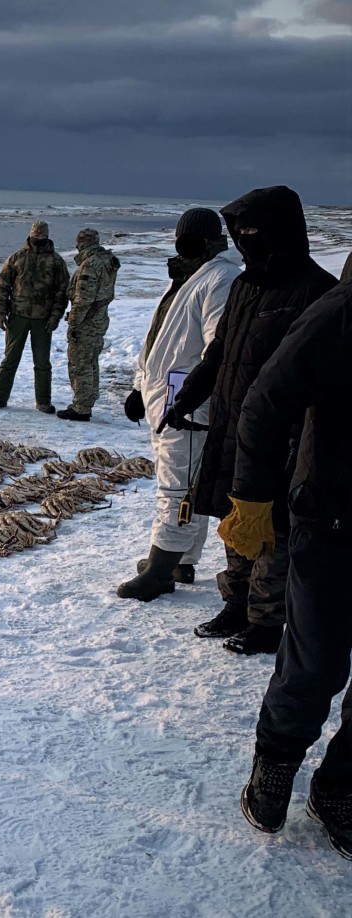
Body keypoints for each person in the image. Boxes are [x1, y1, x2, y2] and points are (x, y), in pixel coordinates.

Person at [161, 186, 338, 655]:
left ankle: (267, 621)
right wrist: (186, 398)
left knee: (274, 527)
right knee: (233, 516)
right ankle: (236, 604)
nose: (244, 240)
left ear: (282, 231)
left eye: (254, 231)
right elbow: (219, 354)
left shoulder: (317, 290)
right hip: (231, 422)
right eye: (238, 232)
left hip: (286, 433)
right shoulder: (243, 286)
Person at [229, 251, 352, 857]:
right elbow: (264, 401)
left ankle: (340, 788)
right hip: (335, 521)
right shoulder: (344, 310)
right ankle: (274, 765)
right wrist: (252, 499)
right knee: (314, 666)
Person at [116, 209, 239, 601]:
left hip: (185, 405)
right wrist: (139, 386)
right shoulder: (186, 278)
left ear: (208, 239)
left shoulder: (220, 279)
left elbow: (217, 349)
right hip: (165, 400)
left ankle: (159, 571)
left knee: (178, 488)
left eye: (190, 237)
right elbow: (158, 341)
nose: (181, 244)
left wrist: (190, 400)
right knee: (186, 484)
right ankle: (181, 558)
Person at [0, 220, 69, 413]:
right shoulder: (17, 258)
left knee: (42, 362)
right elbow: (2, 286)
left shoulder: (56, 261)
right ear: (30, 234)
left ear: (47, 236)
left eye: (42, 235)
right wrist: (0, 312)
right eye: (36, 234)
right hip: (18, 316)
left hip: (43, 319)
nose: (39, 238)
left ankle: (43, 401)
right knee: (10, 359)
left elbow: (62, 291)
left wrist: (55, 316)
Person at [57, 228, 120, 422]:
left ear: (84, 243)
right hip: (99, 319)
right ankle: (87, 400)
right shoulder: (105, 261)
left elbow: (83, 299)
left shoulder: (90, 265)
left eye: (78, 242)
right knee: (91, 361)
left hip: (87, 322)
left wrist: (74, 324)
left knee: (80, 364)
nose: (76, 246)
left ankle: (81, 408)